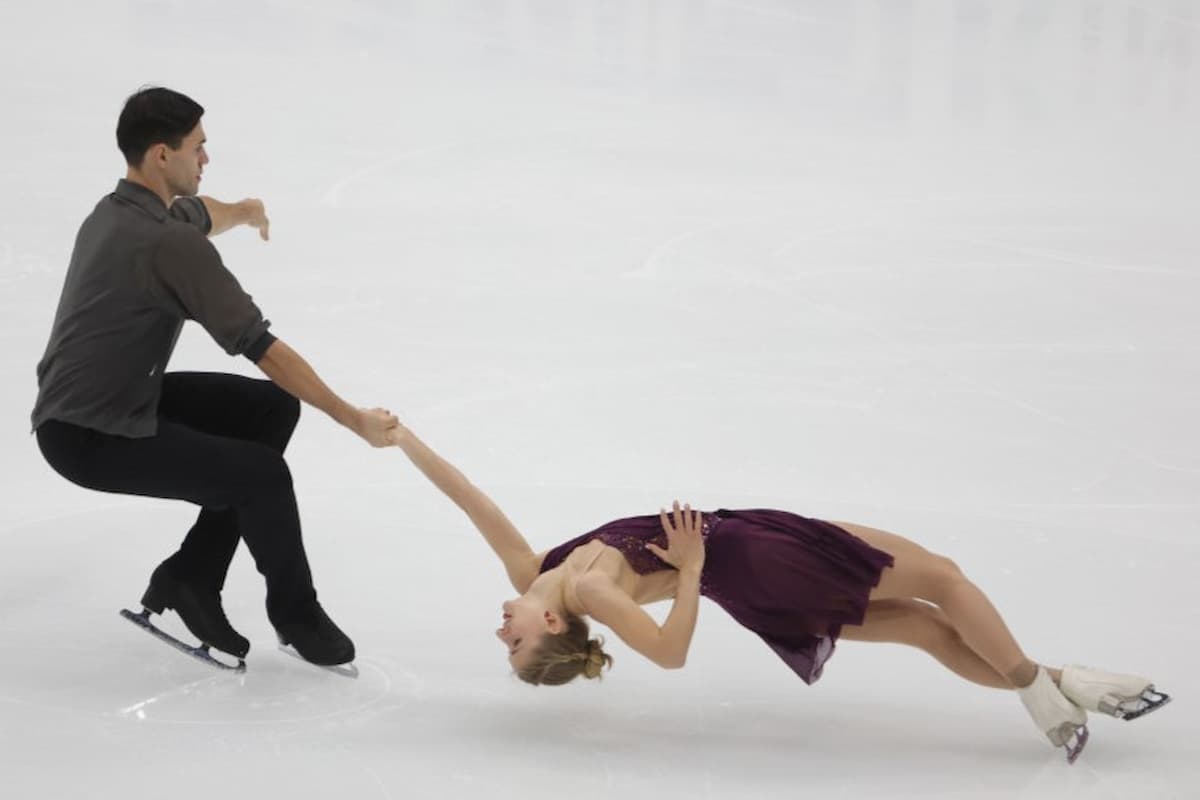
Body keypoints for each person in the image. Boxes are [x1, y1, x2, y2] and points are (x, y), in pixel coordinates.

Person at [387, 422, 1169, 763]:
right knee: (944, 578)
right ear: (554, 622)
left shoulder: (537, 572)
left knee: (926, 630)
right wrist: (691, 567)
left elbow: (471, 502)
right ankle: (1041, 686)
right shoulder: (591, 589)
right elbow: (669, 655)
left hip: (746, 569)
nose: (502, 631)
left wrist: (406, 439)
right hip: (750, 554)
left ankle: (1066, 685)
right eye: (517, 644)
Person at [31, 87, 398, 668]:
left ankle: (191, 577)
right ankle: (297, 615)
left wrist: (247, 211)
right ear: (161, 154)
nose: (206, 158)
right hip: (89, 435)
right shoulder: (165, 242)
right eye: (198, 148)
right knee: (262, 474)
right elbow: (262, 347)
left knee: (269, 411)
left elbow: (204, 215)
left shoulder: (123, 211)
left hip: (116, 400)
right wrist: (352, 418)